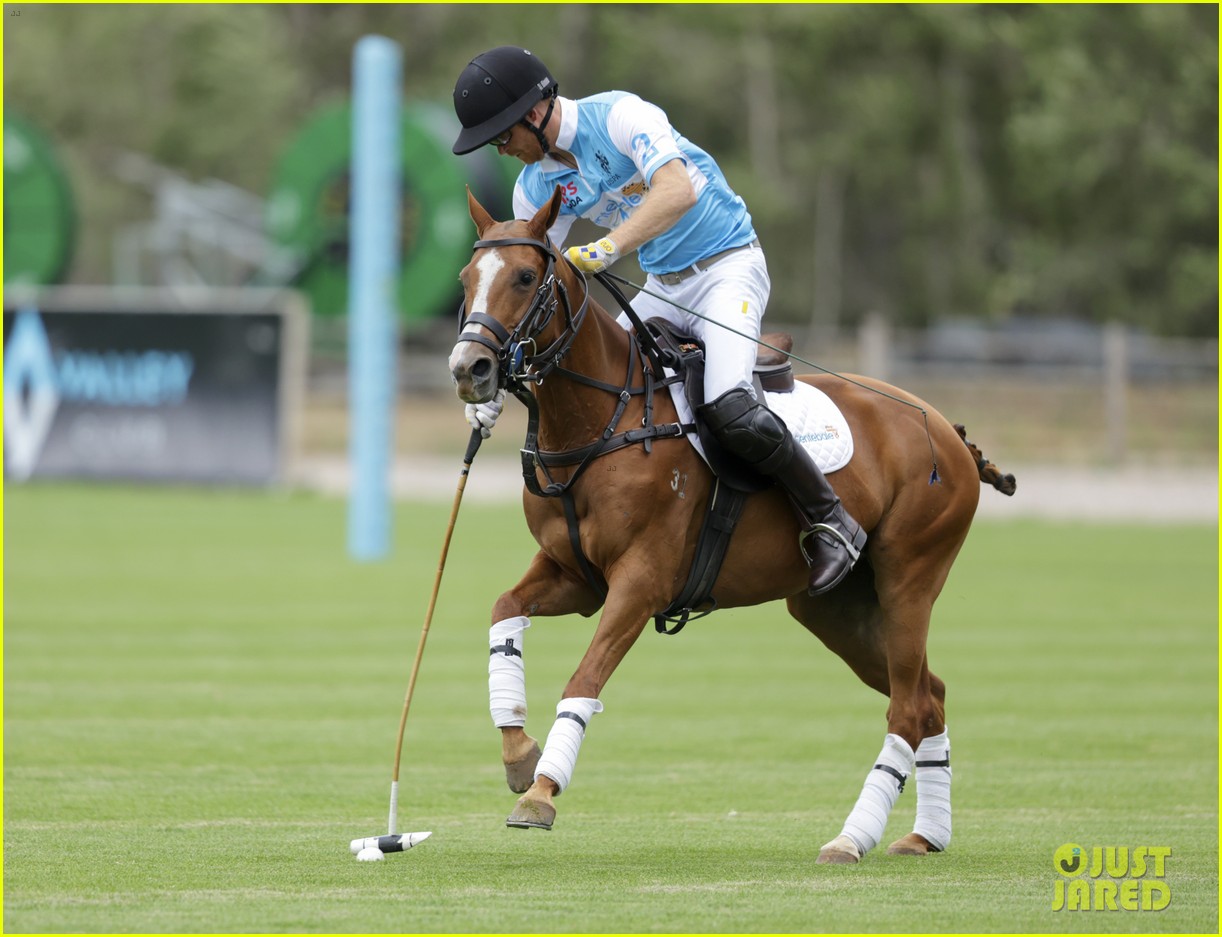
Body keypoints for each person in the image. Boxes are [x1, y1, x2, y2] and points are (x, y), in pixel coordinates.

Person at [451, 45, 864, 595]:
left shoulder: (621, 116)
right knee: (603, 382)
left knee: (729, 403)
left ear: (534, 113)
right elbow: (526, 288)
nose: (502, 150)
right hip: (663, 288)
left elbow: (677, 189)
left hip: (727, 268)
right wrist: (496, 381)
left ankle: (832, 520)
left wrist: (606, 248)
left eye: (503, 135)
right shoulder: (535, 186)